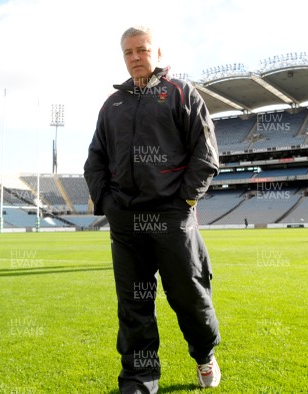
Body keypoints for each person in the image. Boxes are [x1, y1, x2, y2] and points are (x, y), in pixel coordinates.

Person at [84, 26, 221, 393]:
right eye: (128, 52)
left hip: (171, 217)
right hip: (126, 222)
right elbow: (94, 160)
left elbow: (205, 155)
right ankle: (140, 379)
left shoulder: (181, 93)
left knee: (188, 295)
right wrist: (109, 204)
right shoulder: (111, 105)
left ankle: (204, 354)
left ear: (157, 53)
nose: (134, 58)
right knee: (134, 304)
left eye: (141, 50)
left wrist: (182, 203)